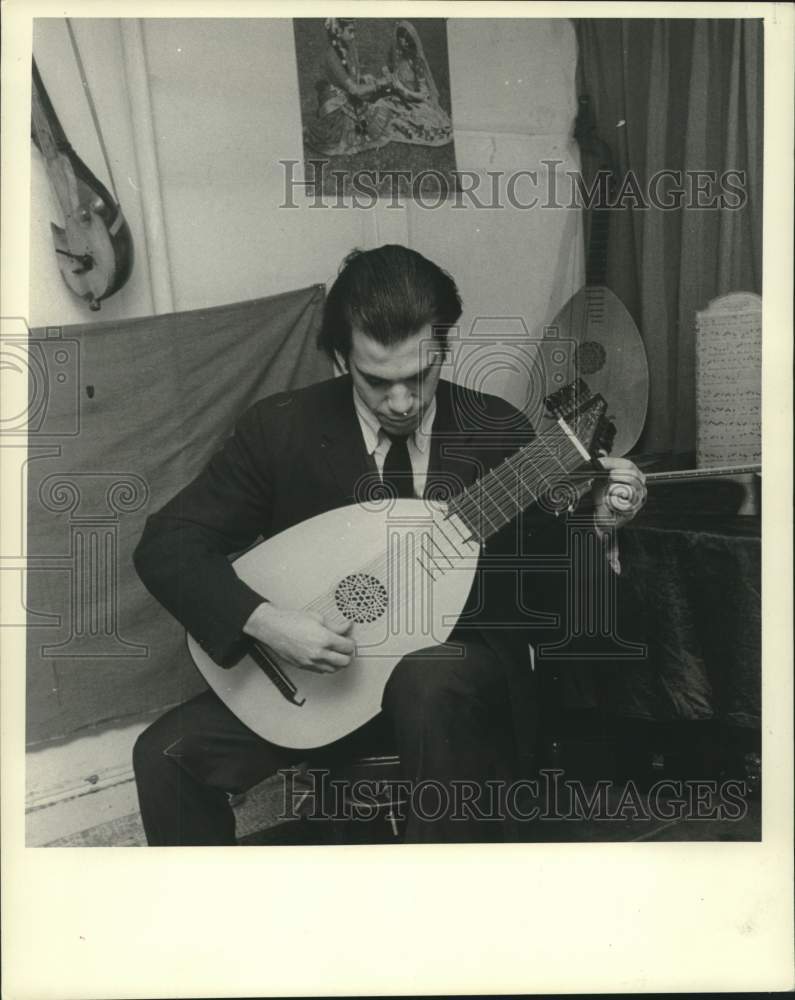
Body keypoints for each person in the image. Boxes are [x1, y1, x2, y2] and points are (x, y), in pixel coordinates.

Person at [132, 244, 647, 846]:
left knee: (426, 677)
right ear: (339, 359)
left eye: (421, 376)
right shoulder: (280, 430)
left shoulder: (498, 429)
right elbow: (168, 543)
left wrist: (600, 532)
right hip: (324, 685)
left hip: (458, 688)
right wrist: (267, 624)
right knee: (164, 755)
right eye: (377, 381)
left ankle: (430, 914)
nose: (401, 402)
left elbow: (558, 598)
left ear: (444, 348)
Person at [303, 18, 393, 157]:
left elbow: (350, 76)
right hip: (339, 104)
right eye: (350, 31)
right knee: (362, 130)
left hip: (350, 97)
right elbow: (354, 90)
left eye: (353, 30)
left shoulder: (347, 47)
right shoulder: (332, 56)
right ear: (338, 31)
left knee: (383, 113)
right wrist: (379, 83)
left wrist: (363, 77)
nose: (353, 35)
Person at [379, 20, 453, 147]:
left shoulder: (416, 62)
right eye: (402, 40)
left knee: (423, 124)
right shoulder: (398, 56)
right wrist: (389, 77)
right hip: (398, 98)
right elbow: (389, 70)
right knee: (380, 109)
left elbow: (423, 95)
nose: (404, 44)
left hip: (416, 102)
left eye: (407, 42)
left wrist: (403, 90)